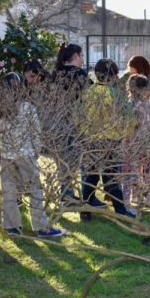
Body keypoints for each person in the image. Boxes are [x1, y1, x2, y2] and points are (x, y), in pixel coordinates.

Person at [0, 72, 66, 238]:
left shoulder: (0, 110)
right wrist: (35, 152)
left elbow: (0, 132)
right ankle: (41, 226)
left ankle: (12, 226)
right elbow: (35, 133)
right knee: (35, 190)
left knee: (9, 192)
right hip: (26, 154)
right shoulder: (28, 108)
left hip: (7, 155)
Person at [79, 59, 136, 220]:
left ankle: (85, 210)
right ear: (111, 76)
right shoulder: (114, 93)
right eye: (116, 75)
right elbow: (127, 116)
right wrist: (128, 132)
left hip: (91, 140)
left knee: (91, 176)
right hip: (109, 140)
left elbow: (80, 115)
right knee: (111, 177)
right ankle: (120, 211)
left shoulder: (88, 92)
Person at [51, 43, 91, 203]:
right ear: (75, 56)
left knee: (64, 162)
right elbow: (91, 97)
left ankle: (66, 194)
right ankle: (87, 195)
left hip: (57, 123)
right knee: (83, 161)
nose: (82, 60)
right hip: (77, 123)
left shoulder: (56, 75)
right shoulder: (80, 74)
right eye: (81, 56)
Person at [127, 73, 150, 208]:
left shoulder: (130, 105)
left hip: (135, 141)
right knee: (149, 169)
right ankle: (149, 196)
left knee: (135, 168)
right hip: (149, 140)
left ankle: (135, 195)